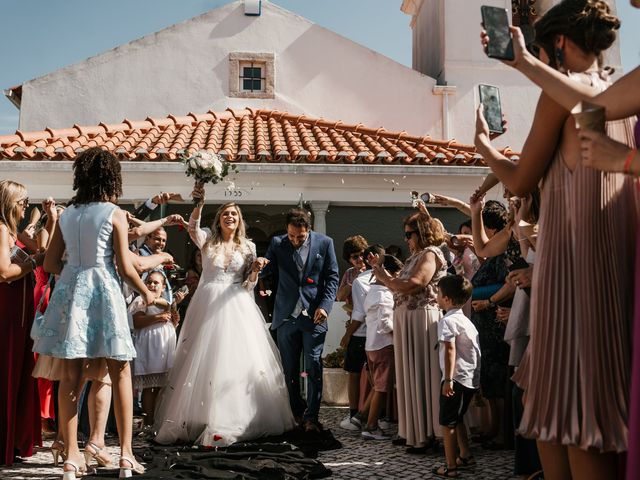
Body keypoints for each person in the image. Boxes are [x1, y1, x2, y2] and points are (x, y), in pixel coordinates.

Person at [476, 2, 634, 478]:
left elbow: (521, 180)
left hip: (571, 265)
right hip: (613, 265)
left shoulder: (562, 99)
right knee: (597, 396)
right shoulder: (620, 96)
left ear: (558, 45)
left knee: (565, 410)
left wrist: (484, 148)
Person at [32, 147, 154, 479]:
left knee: (70, 378)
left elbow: (50, 263)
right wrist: (146, 293)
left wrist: (74, 271)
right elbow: (127, 268)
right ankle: (126, 456)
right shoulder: (114, 213)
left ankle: (71, 457)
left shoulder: (67, 215)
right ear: (111, 178)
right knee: (120, 374)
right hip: (105, 292)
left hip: (71, 292)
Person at [154, 193, 296, 446]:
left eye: (234, 214)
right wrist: (198, 203)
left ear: (239, 220)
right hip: (207, 302)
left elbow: (248, 285)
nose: (230, 217)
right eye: (225, 213)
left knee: (235, 359)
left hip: (236, 303)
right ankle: (198, 417)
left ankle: (234, 416)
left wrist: (254, 271)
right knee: (204, 357)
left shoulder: (249, 247)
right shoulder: (207, 239)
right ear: (219, 219)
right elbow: (193, 227)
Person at [372, 212, 447, 453]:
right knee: (409, 375)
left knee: (422, 373)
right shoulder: (416, 256)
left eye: (409, 234)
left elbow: (415, 284)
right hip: (407, 320)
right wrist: (385, 276)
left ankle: (430, 432)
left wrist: (385, 278)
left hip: (421, 320)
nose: (406, 239)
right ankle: (413, 430)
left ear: (422, 232)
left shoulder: (430, 254)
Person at [262, 208, 340, 432]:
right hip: (286, 316)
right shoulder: (278, 243)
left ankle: (312, 417)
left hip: (314, 315)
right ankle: (296, 411)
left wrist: (325, 307)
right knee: (289, 369)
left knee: (314, 366)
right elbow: (266, 269)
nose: (295, 240)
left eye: (300, 237)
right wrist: (256, 265)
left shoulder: (325, 243)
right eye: (291, 235)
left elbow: (332, 276)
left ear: (309, 230)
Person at [0, 180, 43, 466]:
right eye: (22, 202)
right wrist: (31, 263)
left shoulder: (13, 231)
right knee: (7, 374)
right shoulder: (2, 230)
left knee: (19, 377)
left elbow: (40, 245)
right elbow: (4, 271)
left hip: (20, 317)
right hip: (7, 316)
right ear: (10, 203)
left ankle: (15, 439)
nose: (26, 207)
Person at [432, 275, 480, 478]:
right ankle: (466, 455)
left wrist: (448, 379)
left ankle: (451, 467)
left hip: (456, 379)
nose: (437, 296)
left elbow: (450, 349)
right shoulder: (466, 321)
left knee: (447, 423)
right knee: (457, 418)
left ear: (448, 299)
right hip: (468, 379)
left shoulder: (447, 321)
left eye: (439, 293)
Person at [361, 254, 403, 441]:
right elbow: (386, 324)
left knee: (377, 386)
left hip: (371, 344)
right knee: (381, 387)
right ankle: (371, 426)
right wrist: (400, 335)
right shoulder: (385, 295)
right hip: (384, 345)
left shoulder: (372, 292)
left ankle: (363, 418)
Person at [129, 271, 178, 430]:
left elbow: (171, 320)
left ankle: (157, 420)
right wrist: (159, 317)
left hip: (164, 344)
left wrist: (173, 318)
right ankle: (148, 421)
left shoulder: (166, 302)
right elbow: (137, 322)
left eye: (156, 283)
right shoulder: (142, 300)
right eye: (149, 282)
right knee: (150, 386)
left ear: (163, 286)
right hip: (150, 345)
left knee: (160, 386)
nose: (151, 285)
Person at [336, 235, 369, 430]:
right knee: (353, 372)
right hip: (355, 327)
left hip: (372, 328)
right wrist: (353, 282)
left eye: (361, 255)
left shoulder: (375, 270)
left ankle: (374, 413)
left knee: (374, 374)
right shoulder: (349, 274)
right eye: (354, 257)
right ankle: (354, 413)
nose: (359, 260)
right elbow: (339, 297)